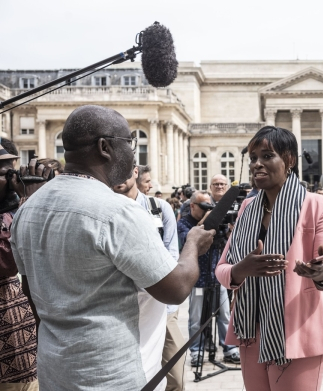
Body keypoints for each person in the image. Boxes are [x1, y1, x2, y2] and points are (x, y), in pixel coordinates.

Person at [10, 105, 216, 390]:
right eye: (129, 143)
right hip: (109, 374)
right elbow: (175, 290)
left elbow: (32, 293)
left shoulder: (28, 209)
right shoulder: (118, 211)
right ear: (105, 147)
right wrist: (192, 244)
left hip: (56, 370)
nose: (133, 153)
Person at [215, 126, 323, 391]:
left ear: (290, 161)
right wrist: (241, 270)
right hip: (251, 330)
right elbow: (222, 269)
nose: (257, 164)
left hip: (298, 333)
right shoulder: (247, 208)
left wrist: (321, 274)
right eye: (252, 158)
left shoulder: (318, 206)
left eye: (266, 155)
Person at [113, 165, 183, 391]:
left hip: (162, 304)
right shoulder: (108, 210)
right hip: (122, 311)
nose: (117, 176)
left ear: (134, 171)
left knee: (175, 377)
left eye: (122, 170)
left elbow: (172, 254)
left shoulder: (160, 209)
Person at [0, 139, 52, 391]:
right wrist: (28, 203)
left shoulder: (14, 210)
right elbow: (9, 260)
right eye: (3, 173)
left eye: (12, 170)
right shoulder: (17, 211)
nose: (11, 178)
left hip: (21, 341)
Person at [179, 191, 240, 367]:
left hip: (216, 276)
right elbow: (187, 242)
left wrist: (229, 233)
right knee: (196, 319)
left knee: (224, 315)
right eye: (204, 206)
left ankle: (230, 349)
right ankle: (197, 352)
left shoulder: (218, 222)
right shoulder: (184, 222)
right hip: (196, 278)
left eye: (210, 206)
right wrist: (207, 220)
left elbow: (229, 244)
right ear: (192, 206)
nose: (209, 210)